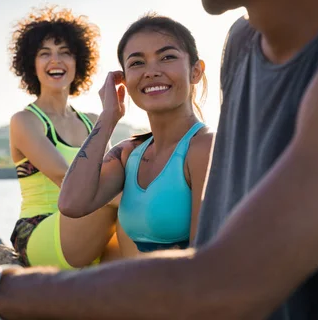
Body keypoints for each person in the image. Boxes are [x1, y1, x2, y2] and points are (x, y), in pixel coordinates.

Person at [0, 0, 318, 318]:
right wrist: (109, 122)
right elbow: (74, 203)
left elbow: (225, 280)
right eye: (137, 62)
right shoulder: (243, 45)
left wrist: (4, 293)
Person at [58, 14, 213, 257]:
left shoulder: (204, 147)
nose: (151, 71)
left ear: (195, 71)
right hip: (141, 289)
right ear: (124, 81)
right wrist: (108, 117)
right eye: (137, 63)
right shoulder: (128, 153)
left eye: (167, 57)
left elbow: (204, 259)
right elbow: (72, 204)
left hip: (181, 291)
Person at [8, 6, 119, 269]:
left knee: (145, 231)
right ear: (30, 64)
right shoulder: (25, 121)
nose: (55, 61)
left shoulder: (92, 121)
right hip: (39, 230)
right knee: (129, 206)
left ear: (78, 62)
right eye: (44, 54)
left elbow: (114, 177)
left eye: (65, 53)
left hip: (89, 229)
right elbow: (67, 180)